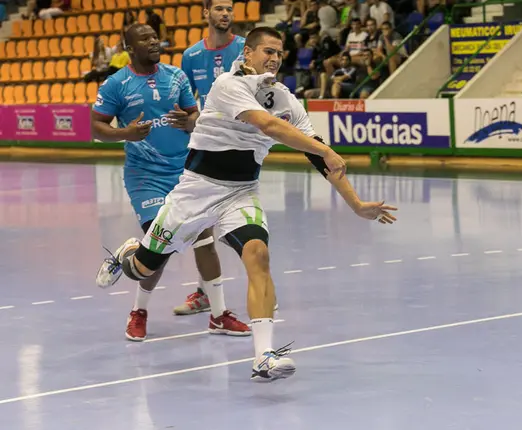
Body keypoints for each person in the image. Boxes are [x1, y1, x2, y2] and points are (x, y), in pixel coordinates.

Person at [98, 26, 398, 381]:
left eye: (279, 53)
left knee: (258, 255)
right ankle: (129, 254)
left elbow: (318, 158)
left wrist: (356, 204)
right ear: (248, 55)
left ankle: (264, 356)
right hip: (195, 190)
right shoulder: (229, 85)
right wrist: (323, 147)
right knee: (143, 268)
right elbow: (267, 126)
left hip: (241, 192)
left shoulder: (286, 98)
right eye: (267, 51)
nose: (274, 58)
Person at [92, 23, 250, 341]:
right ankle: (139, 310)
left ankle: (218, 315)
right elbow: (96, 127)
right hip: (145, 176)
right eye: (145, 39)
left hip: (186, 172)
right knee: (159, 245)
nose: (154, 41)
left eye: (154, 37)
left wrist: (190, 122)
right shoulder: (115, 84)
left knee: (204, 239)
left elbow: (195, 118)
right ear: (128, 47)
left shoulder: (175, 76)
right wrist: (125, 133)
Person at [175, 0, 246, 316]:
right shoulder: (190, 56)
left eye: (229, 8)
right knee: (201, 222)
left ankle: (262, 286)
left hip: (241, 146)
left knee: (239, 221)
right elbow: (187, 105)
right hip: (205, 147)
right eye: (218, 7)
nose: (225, 13)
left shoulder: (246, 49)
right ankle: (205, 292)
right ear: (206, 13)